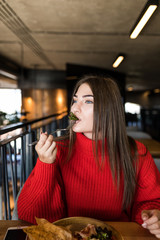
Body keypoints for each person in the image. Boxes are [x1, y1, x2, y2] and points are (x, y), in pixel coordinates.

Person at [17, 76, 160, 238]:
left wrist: (151, 218)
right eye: (75, 100)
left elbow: (150, 203)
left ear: (108, 109)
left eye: (87, 101)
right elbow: (29, 216)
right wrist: (45, 164)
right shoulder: (59, 150)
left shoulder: (136, 152)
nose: (74, 109)